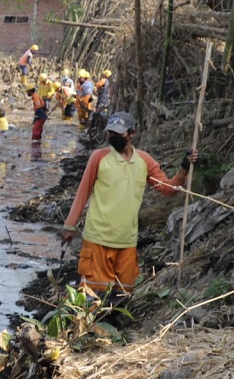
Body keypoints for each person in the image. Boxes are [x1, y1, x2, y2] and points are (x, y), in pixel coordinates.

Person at [61, 112, 198, 302]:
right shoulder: (99, 158)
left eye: (118, 134)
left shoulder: (143, 161)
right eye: (110, 133)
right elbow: (82, 192)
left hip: (126, 241)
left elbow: (168, 189)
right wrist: (69, 226)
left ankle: (112, 329)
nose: (113, 137)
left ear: (132, 133)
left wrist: (184, 168)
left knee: (121, 296)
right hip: (97, 240)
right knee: (94, 296)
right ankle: (93, 330)